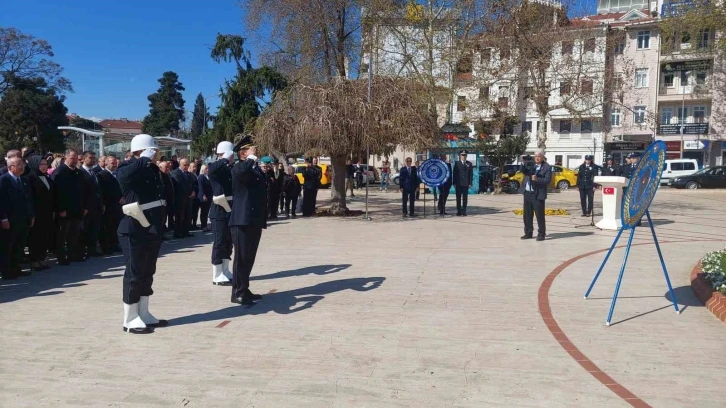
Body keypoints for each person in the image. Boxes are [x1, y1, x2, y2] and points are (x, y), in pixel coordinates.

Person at [116, 134, 168, 334]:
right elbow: (123, 178)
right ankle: (130, 319)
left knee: (147, 272)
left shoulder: (153, 169)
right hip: (133, 227)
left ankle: (144, 313)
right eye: (152, 150)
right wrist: (142, 160)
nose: (155, 154)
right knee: (134, 273)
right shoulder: (127, 166)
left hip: (152, 227)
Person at [229, 136, 267, 305]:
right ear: (243, 153)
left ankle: (244, 287)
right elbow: (241, 172)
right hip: (241, 220)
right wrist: (250, 159)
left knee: (249, 257)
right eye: (252, 150)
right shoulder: (238, 167)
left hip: (253, 219)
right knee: (241, 258)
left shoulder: (253, 168)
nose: (255, 151)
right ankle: (237, 292)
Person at [0, 157, 34, 279]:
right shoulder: (3, 180)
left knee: (19, 246)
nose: (22, 167)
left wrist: (31, 215)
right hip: (9, 220)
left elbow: (28, 200)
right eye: (18, 164)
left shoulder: (23, 180)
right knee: (8, 246)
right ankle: (7, 271)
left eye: (22, 164)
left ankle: (16, 269)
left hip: (23, 219)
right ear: (10, 167)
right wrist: (3, 218)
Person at [52, 149, 87, 265]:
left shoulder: (78, 172)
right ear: (65, 158)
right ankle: (61, 258)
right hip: (65, 211)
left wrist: (84, 206)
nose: (75, 160)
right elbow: (57, 193)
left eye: (76, 158)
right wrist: (60, 209)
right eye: (72, 158)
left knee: (74, 235)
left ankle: (72, 255)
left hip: (77, 210)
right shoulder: (60, 172)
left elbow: (83, 191)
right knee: (62, 236)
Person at [208, 141, 236, 286]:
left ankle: (225, 270)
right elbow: (212, 170)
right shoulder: (215, 166)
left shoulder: (229, 168)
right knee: (219, 242)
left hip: (230, 207)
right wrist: (225, 158)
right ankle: (217, 273)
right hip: (219, 209)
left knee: (228, 241)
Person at [24, 155, 55, 270]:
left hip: (47, 213)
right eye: (41, 164)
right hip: (36, 214)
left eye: (45, 164)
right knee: (35, 237)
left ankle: (41, 258)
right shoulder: (30, 178)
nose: (44, 167)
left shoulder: (46, 178)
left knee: (44, 236)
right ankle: (34, 260)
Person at [519, 151, 552, 241]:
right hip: (527, 193)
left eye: (539, 156)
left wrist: (537, 179)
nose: (537, 158)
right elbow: (523, 171)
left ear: (542, 157)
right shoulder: (531, 164)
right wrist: (523, 162)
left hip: (538, 194)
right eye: (536, 156)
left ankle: (541, 234)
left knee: (539, 215)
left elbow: (547, 180)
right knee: (527, 215)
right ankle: (528, 233)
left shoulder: (547, 167)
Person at [97, 155, 124, 254]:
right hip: (108, 206)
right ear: (106, 163)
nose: (114, 165)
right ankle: (107, 247)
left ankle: (115, 244)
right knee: (108, 227)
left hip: (118, 206)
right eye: (112, 163)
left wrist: (122, 197)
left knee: (116, 227)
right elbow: (103, 191)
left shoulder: (117, 174)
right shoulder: (102, 175)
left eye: (115, 163)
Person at [80, 151, 103, 257]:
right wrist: (84, 206)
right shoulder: (80, 172)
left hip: (96, 206)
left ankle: (92, 249)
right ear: (84, 159)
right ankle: (83, 250)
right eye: (90, 158)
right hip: (86, 207)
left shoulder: (94, 172)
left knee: (94, 229)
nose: (93, 160)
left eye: (94, 158)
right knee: (85, 229)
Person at [171, 159, 194, 238]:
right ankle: (177, 233)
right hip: (180, 198)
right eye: (184, 165)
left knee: (188, 215)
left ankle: (185, 231)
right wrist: (188, 193)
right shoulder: (175, 173)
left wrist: (192, 191)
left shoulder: (188, 174)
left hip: (188, 198)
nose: (186, 167)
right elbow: (179, 184)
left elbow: (191, 183)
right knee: (179, 216)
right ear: (180, 164)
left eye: (187, 165)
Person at [453, 150, 473, 216]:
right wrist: (454, 183)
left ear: (466, 156)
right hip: (458, 184)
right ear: (460, 156)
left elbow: (471, 174)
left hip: (465, 184)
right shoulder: (457, 163)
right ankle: (458, 211)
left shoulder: (469, 164)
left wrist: (470, 183)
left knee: (465, 198)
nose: (463, 156)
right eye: (462, 155)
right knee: (458, 198)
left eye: (464, 155)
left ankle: (464, 211)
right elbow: (454, 174)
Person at [158, 161, 175, 235]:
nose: (168, 168)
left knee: (166, 217)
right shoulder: (158, 175)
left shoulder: (168, 174)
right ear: (160, 168)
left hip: (169, 199)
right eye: (166, 167)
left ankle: (164, 231)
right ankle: (160, 235)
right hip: (161, 201)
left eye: (168, 167)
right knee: (161, 218)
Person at [197, 164, 212, 232]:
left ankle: (205, 225)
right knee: (204, 212)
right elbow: (200, 187)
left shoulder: (207, 176)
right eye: (206, 168)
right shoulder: (201, 177)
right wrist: (203, 195)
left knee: (206, 211)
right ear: (203, 169)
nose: (207, 170)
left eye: (208, 168)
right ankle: (203, 226)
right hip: (204, 196)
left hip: (209, 196)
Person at [189, 161, 200, 231]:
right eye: (193, 167)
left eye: (195, 167)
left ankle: (194, 224)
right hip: (191, 197)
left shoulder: (196, 175)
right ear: (189, 168)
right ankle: (189, 225)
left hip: (196, 197)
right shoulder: (189, 175)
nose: (195, 168)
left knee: (195, 211)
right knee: (191, 212)